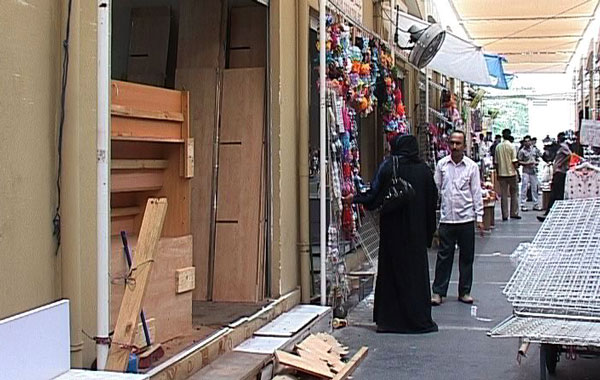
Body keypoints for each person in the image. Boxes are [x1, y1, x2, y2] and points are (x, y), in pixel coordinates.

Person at [349, 135, 438, 334]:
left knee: (392, 273)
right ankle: (417, 318)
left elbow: (373, 196)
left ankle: (390, 320)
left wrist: (354, 199)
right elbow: (432, 203)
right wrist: (428, 232)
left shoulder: (389, 166)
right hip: (416, 234)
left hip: (393, 232)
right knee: (415, 275)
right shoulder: (424, 171)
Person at [431, 130, 484, 306]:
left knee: (466, 257)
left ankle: (465, 291)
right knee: (444, 257)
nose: (454, 147)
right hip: (447, 219)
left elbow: (476, 192)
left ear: (464, 145)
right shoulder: (442, 165)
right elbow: (435, 189)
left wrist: (480, 216)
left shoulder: (471, 167)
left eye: (458, 143)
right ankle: (438, 292)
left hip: (466, 218)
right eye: (452, 143)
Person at [537, 132, 572, 222]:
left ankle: (551, 212)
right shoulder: (560, 147)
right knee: (555, 193)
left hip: (560, 172)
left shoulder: (564, 147)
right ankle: (550, 212)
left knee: (556, 193)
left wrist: (560, 163)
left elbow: (569, 155)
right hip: (558, 171)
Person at [495, 129, 521, 220]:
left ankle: (505, 215)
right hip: (511, 174)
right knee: (514, 193)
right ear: (509, 135)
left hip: (501, 174)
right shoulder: (511, 146)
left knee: (504, 195)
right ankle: (514, 213)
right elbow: (514, 161)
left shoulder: (498, 147)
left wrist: (498, 173)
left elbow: (496, 162)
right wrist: (518, 172)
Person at [518, 135, 542, 211]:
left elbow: (539, 157)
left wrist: (536, 162)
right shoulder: (522, 151)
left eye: (529, 141)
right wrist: (526, 163)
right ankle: (522, 204)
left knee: (535, 187)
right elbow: (519, 161)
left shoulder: (534, 150)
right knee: (524, 187)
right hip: (526, 171)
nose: (527, 142)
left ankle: (535, 204)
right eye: (526, 141)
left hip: (533, 171)